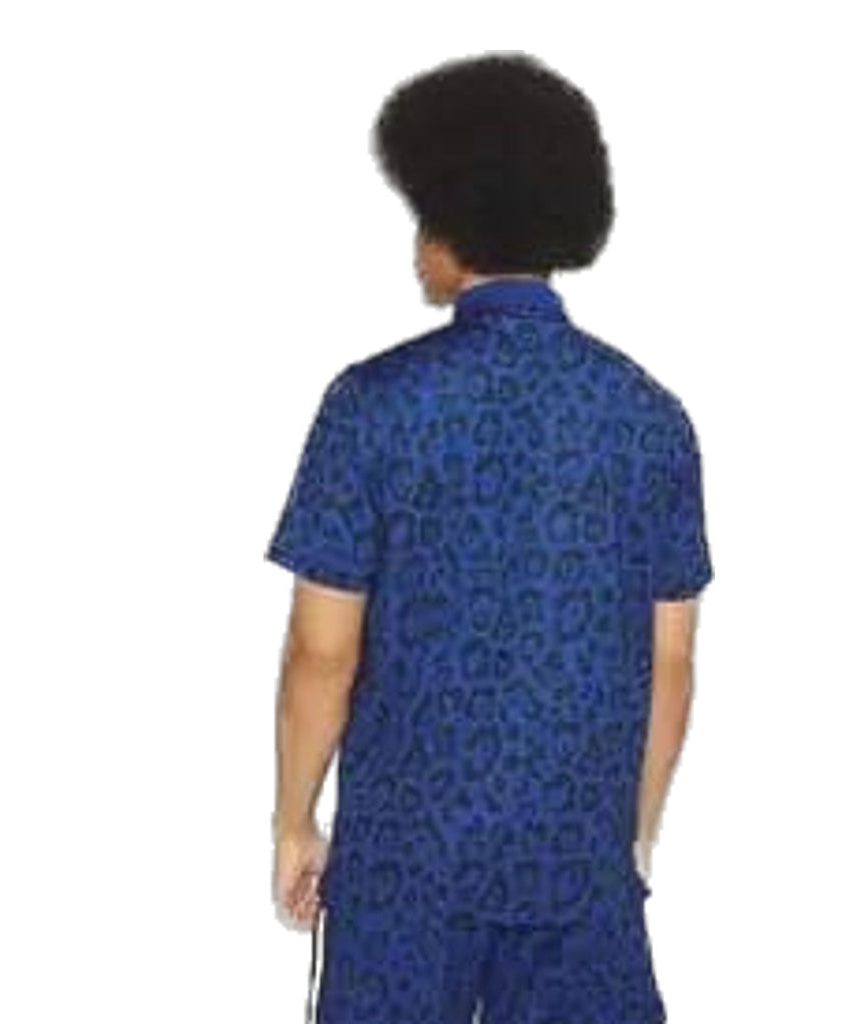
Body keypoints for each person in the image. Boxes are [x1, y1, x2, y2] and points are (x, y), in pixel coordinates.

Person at [268, 51, 714, 1024]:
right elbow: (670, 664)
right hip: (575, 865)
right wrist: (631, 840)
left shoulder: (371, 405)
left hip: (404, 869)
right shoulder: (650, 418)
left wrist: (294, 820)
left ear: (452, 225)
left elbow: (321, 652)